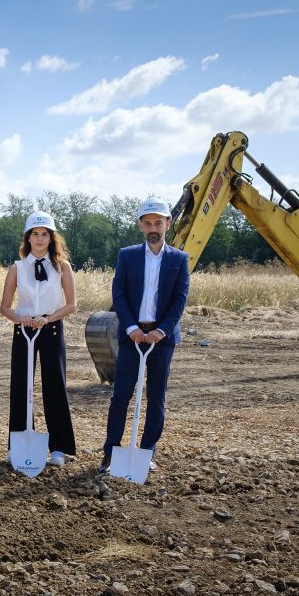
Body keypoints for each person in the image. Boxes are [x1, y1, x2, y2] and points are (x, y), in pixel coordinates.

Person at [99, 196, 190, 474]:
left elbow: (180, 298)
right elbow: (119, 293)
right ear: (141, 225)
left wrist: (162, 330)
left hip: (162, 339)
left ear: (168, 224)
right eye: (148, 223)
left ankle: (147, 451)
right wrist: (132, 328)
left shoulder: (179, 259)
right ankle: (111, 453)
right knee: (121, 395)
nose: (153, 228)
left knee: (156, 396)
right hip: (132, 336)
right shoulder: (127, 255)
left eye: (158, 223)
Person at [0, 211, 78, 466]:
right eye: (35, 234)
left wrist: (48, 318)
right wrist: (19, 318)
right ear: (28, 238)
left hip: (51, 328)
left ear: (51, 238)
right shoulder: (18, 268)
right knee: (21, 386)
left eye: (45, 234)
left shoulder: (62, 267)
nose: (40, 238)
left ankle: (59, 447)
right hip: (24, 330)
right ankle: (19, 444)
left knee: (55, 386)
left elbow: (72, 305)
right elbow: (4, 307)